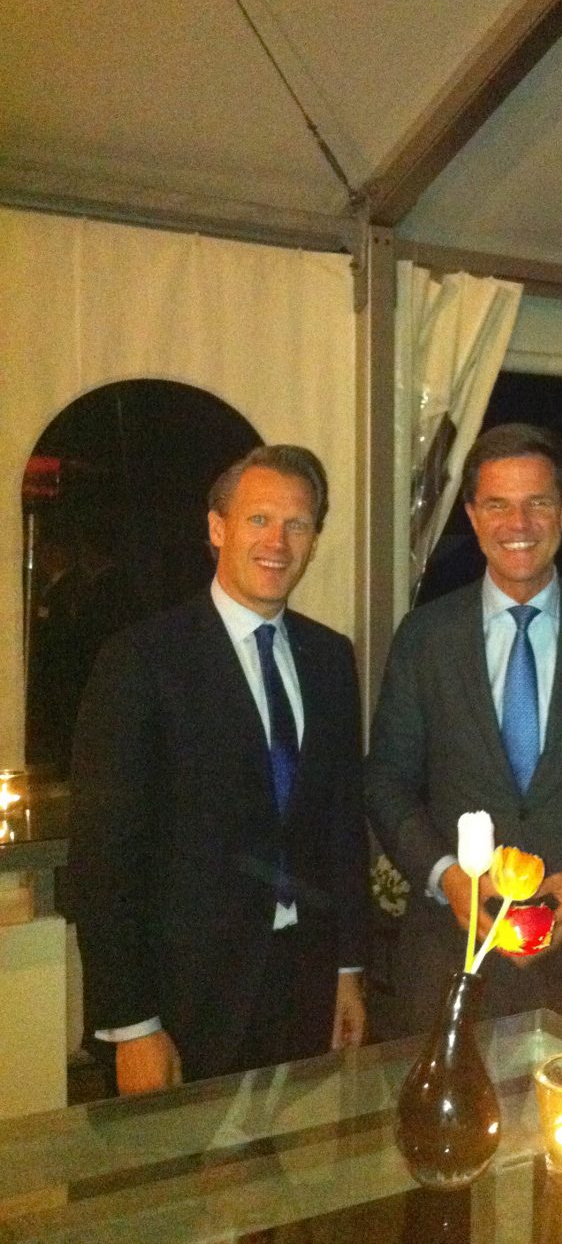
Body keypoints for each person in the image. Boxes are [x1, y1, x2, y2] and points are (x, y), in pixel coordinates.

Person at [69, 445, 369, 1094]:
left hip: (305, 987)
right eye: (259, 519)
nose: (278, 542)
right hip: (185, 1001)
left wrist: (347, 968)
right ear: (216, 527)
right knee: (182, 1163)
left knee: (298, 1158)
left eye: (297, 524)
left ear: (314, 539)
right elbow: (104, 859)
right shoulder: (142, 660)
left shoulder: (330, 659)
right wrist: (133, 1023)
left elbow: (341, 827)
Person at [364, 423, 562, 1037]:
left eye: (537, 502)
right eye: (498, 505)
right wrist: (446, 876)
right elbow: (385, 781)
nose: (519, 523)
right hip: (450, 964)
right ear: (472, 516)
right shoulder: (425, 638)